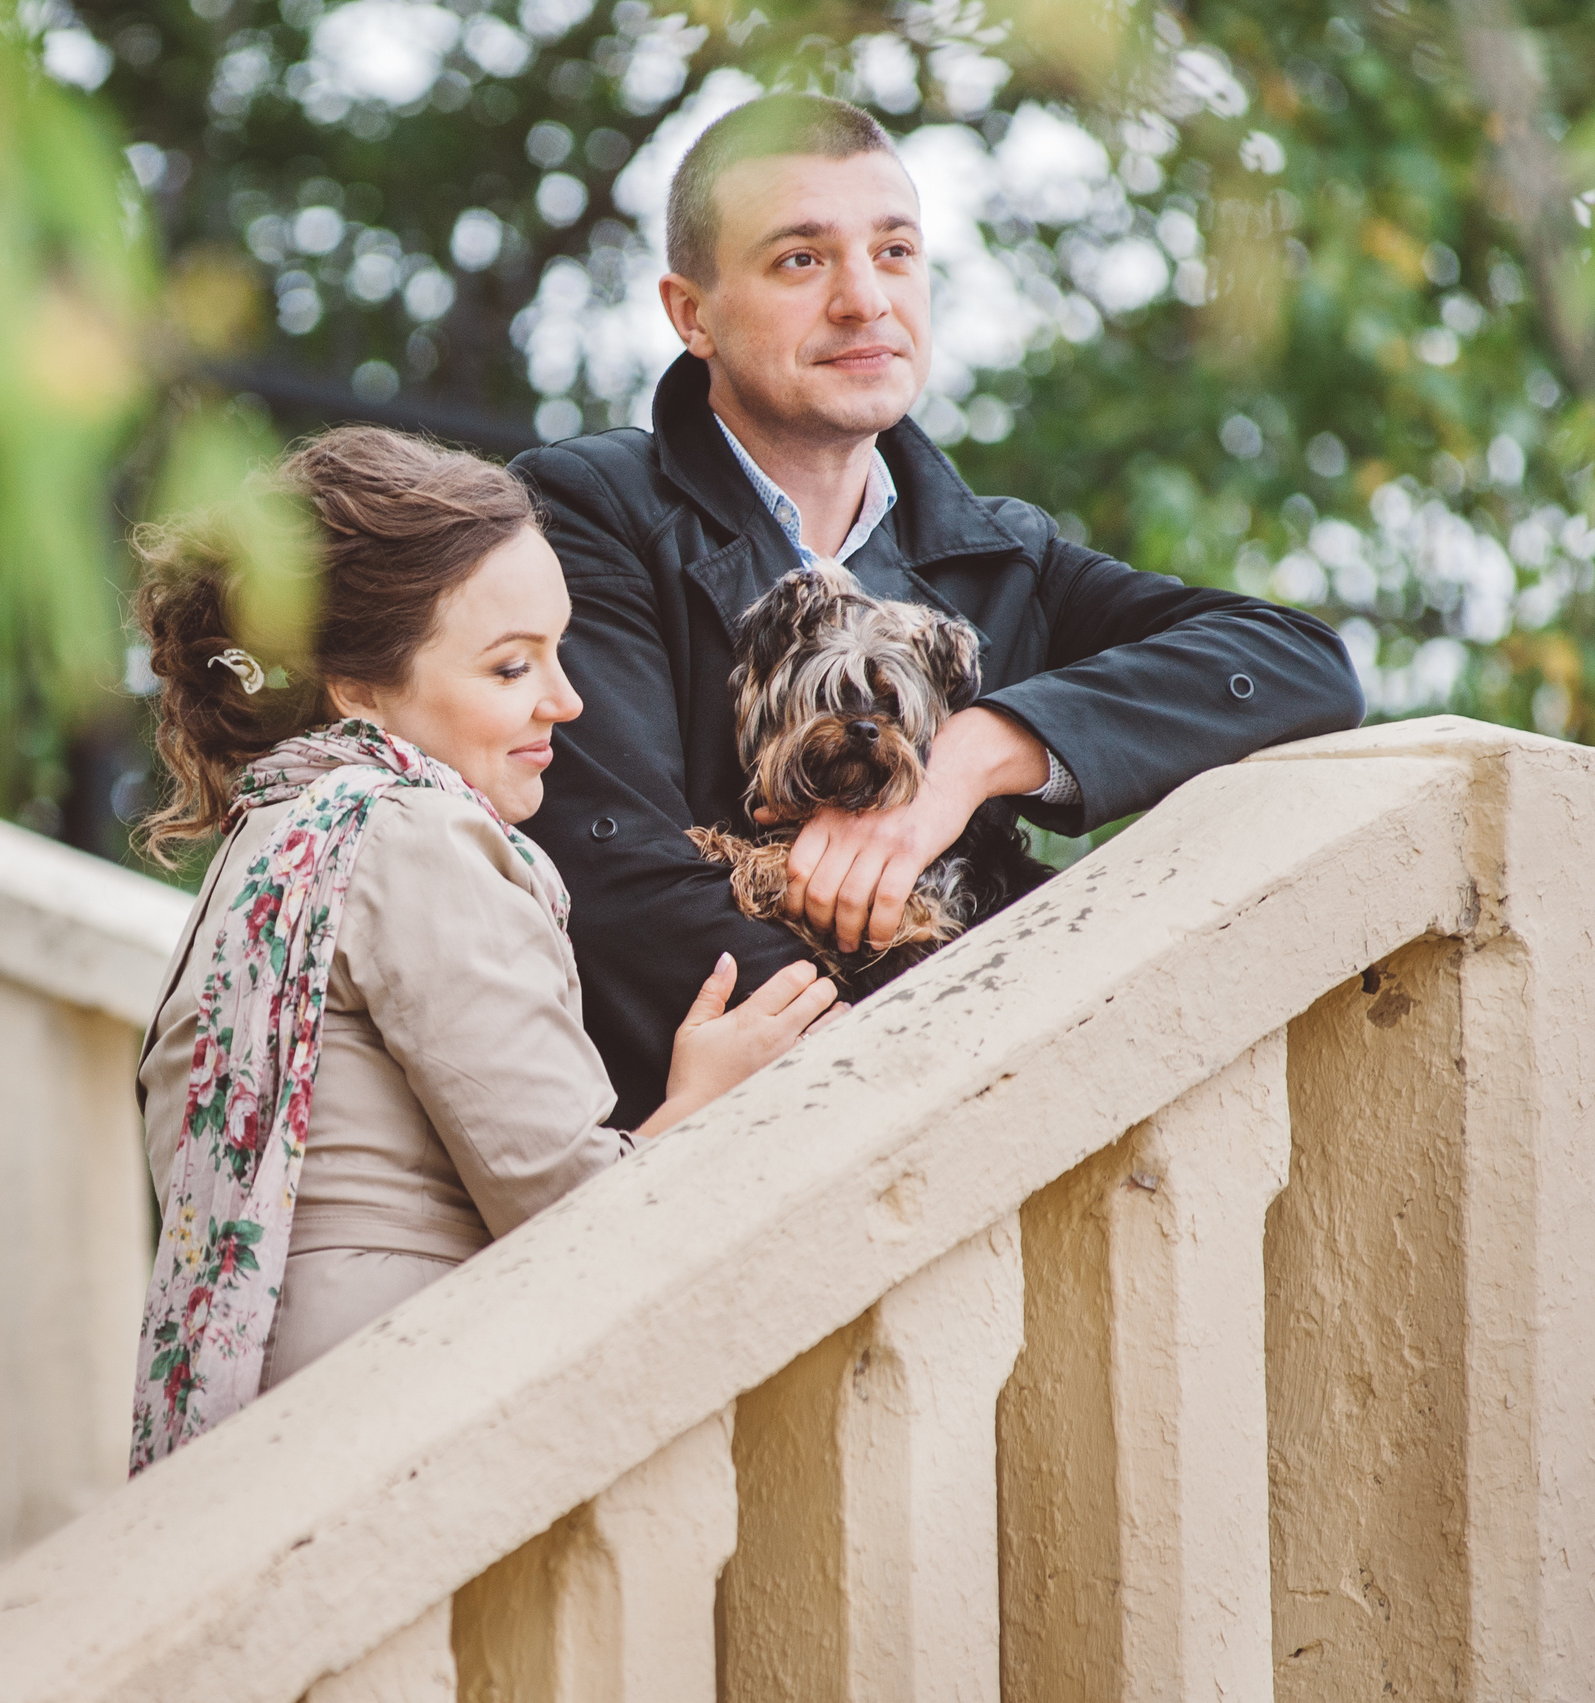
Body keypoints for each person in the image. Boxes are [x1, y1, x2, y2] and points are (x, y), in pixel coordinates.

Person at [512, 93, 1366, 1125]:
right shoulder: (588, 508)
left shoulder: (1000, 553)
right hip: (739, 1137)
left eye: (896, 251)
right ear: (691, 313)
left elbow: (1297, 663)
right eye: (801, 259)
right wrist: (929, 1071)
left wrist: (975, 753)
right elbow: (615, 870)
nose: (864, 299)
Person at [126, 426, 837, 1468]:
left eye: (560, 650)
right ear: (355, 687)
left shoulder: (275, 842)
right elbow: (567, 1202)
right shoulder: (413, 831)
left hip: (282, 1389)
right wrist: (704, 1092)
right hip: (392, 1399)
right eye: (512, 666)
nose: (566, 699)